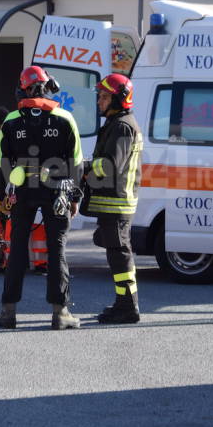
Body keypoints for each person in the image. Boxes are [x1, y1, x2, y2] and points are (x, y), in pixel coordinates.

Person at [0, 66, 82, 330]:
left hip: (22, 193)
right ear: (47, 86)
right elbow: (76, 163)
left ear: (23, 88)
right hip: (56, 191)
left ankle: (8, 312)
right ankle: (60, 312)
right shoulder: (64, 118)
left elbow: (0, 162)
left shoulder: (10, 120)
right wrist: (75, 197)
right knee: (57, 249)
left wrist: (6, 194)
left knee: (18, 249)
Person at [83, 73, 143, 324]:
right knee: (116, 254)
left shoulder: (122, 126)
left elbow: (109, 166)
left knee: (120, 255)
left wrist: (82, 167)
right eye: (99, 96)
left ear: (119, 99)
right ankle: (123, 302)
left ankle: (128, 307)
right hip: (113, 201)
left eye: (105, 96)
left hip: (117, 202)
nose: (99, 101)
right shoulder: (117, 123)